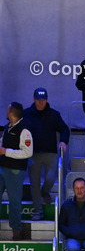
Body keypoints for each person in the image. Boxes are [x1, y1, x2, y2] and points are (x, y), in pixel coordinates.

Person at [23, 88, 69, 220]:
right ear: (34, 99)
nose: (41, 102)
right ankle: (38, 211)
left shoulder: (54, 114)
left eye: (43, 100)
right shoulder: (26, 114)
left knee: (50, 178)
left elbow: (64, 129)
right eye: (39, 100)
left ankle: (44, 193)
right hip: (33, 154)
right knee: (34, 183)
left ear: (47, 100)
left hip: (50, 153)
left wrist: (63, 142)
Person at [0, 101, 33, 239]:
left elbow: (27, 152)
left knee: (14, 201)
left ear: (12, 113)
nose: (6, 112)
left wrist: (5, 151)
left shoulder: (24, 131)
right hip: (2, 167)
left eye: (8, 110)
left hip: (15, 171)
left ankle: (16, 231)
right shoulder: (9, 127)